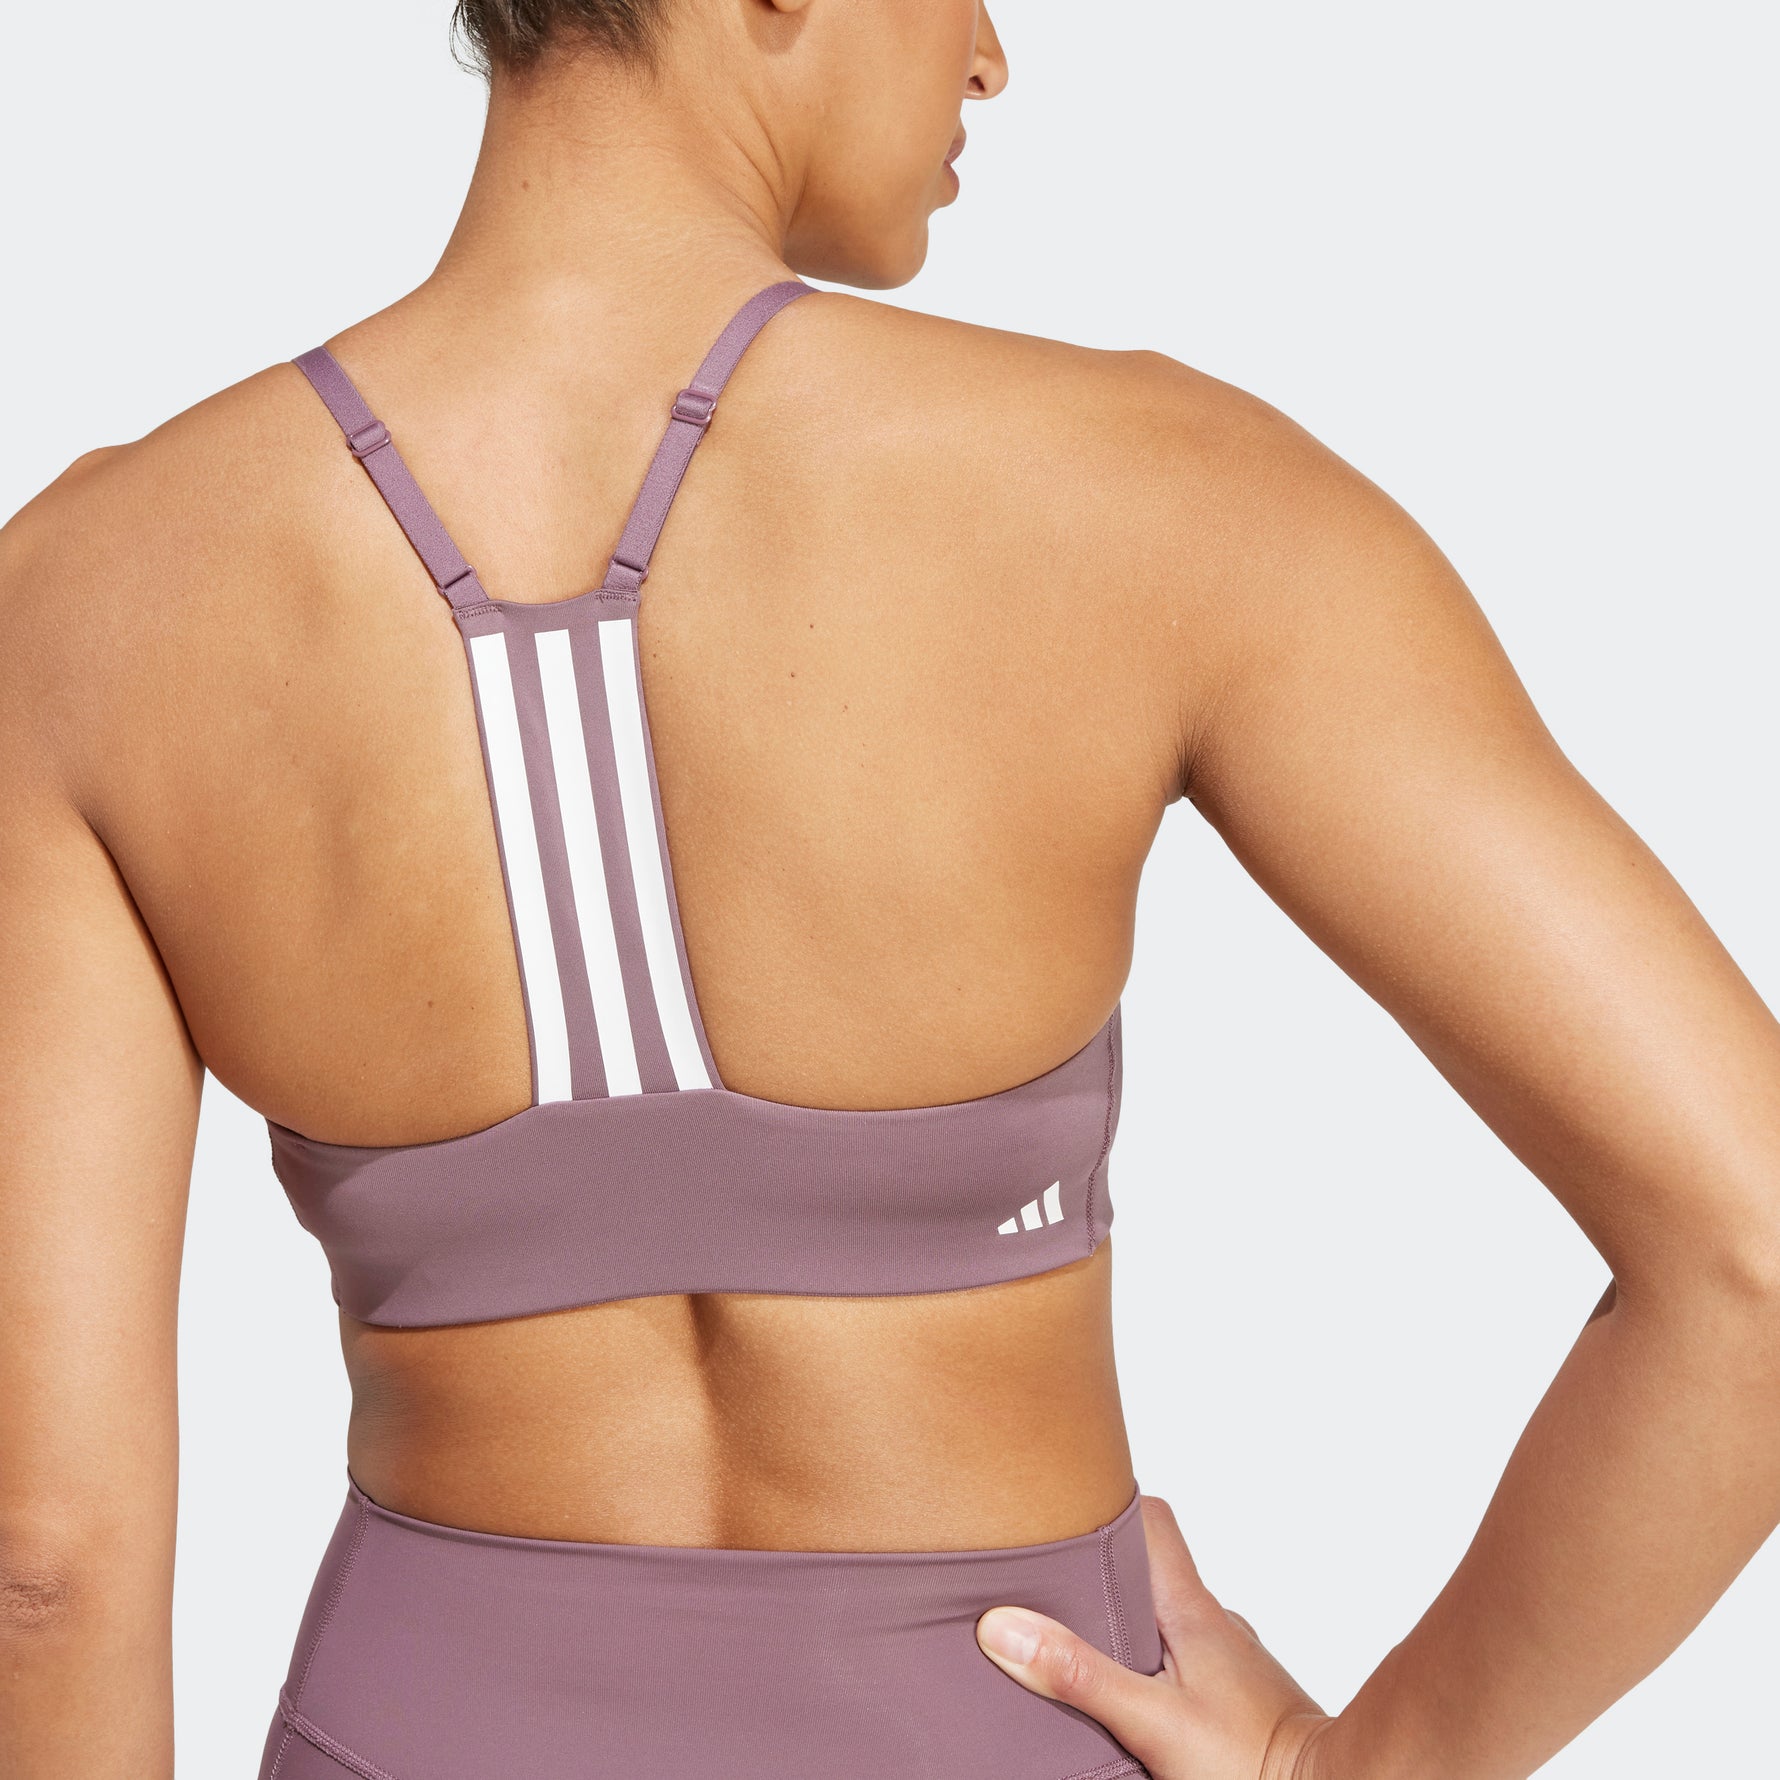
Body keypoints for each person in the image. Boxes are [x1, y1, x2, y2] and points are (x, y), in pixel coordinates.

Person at [2, 2, 1776, 1776]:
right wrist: (1364, 1768)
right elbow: (1750, 1253)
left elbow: (46, 1568)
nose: (992, 54)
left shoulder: (84, 602)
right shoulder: (1165, 496)